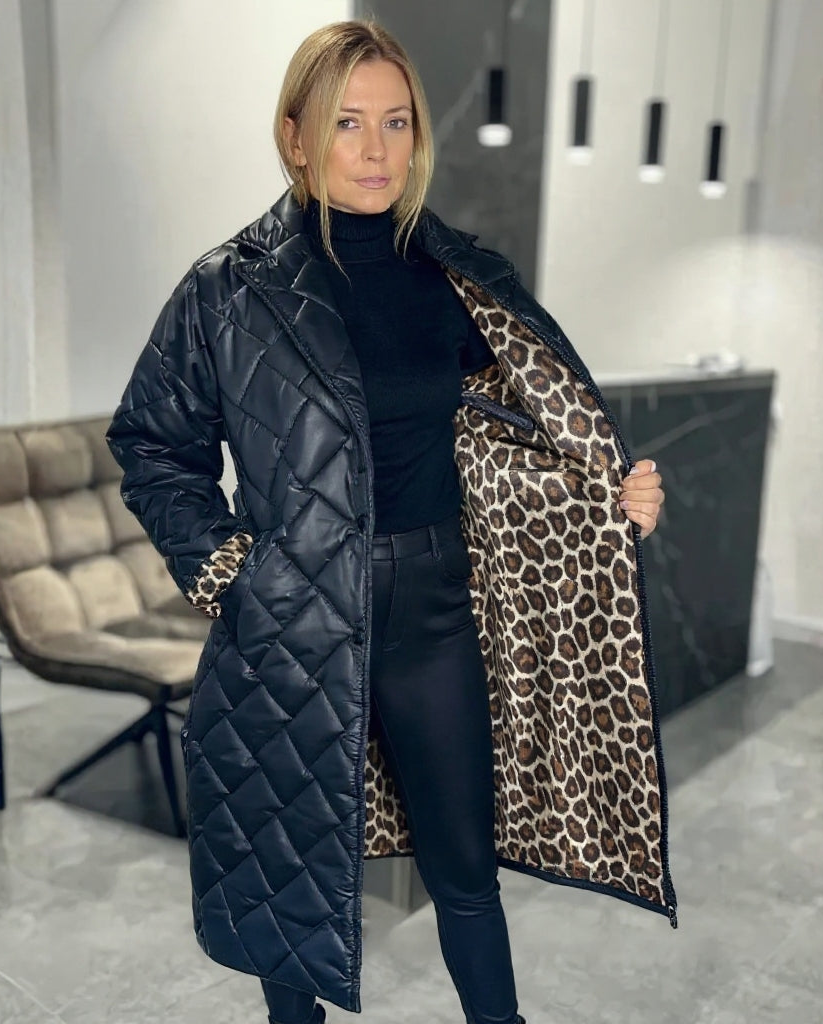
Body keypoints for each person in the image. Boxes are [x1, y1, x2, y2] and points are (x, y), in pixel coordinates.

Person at [106, 19, 676, 1024]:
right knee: (286, 877)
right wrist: (234, 572)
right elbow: (151, 444)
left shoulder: (457, 277)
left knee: (465, 869)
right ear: (295, 138)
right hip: (290, 617)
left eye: (396, 122)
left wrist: (606, 495)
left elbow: (516, 438)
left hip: (434, 612)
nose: (375, 150)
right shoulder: (228, 289)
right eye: (346, 123)